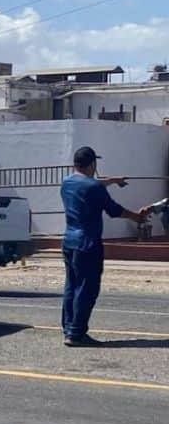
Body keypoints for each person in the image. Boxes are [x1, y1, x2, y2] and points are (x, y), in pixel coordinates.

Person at [59, 147, 149, 347]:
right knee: (87, 288)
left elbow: (89, 184)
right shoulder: (94, 188)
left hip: (69, 242)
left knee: (71, 286)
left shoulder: (67, 183)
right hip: (88, 243)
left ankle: (69, 329)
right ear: (92, 164)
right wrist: (137, 217)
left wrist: (112, 181)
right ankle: (77, 334)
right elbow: (114, 211)